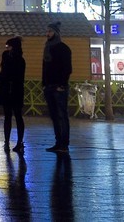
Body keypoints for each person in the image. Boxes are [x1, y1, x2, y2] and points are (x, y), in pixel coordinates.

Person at [42, 21, 72, 154]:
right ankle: (58, 142)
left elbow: (67, 69)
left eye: (50, 31)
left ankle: (64, 143)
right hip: (49, 86)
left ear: (56, 33)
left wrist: (62, 85)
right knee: (55, 116)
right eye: (47, 31)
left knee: (61, 116)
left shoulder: (63, 48)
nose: (47, 34)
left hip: (59, 87)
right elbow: (45, 68)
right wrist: (44, 84)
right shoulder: (48, 48)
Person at [0, 36, 27, 154]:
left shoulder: (7, 58)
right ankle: (19, 142)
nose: (6, 48)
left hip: (8, 90)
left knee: (8, 116)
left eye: (8, 46)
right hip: (18, 90)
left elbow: (5, 74)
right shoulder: (21, 60)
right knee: (18, 116)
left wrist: (0, 77)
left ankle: (7, 142)